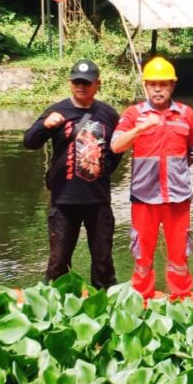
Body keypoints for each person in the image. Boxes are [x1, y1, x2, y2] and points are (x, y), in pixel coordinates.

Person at [23, 59, 122, 289]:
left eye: (87, 83)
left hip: (98, 199)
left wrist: (104, 169)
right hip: (64, 200)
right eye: (77, 82)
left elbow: (119, 148)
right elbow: (29, 142)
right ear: (70, 83)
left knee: (103, 262)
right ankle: (55, 307)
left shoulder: (107, 113)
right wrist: (45, 125)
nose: (81, 86)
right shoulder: (57, 110)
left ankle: (106, 305)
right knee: (58, 262)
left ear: (98, 84)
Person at [111, 57, 193, 300]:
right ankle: (141, 300)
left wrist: (177, 171)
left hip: (178, 196)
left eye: (163, 83)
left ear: (172, 85)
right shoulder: (133, 115)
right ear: (146, 86)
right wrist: (139, 129)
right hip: (144, 197)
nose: (158, 89)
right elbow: (116, 146)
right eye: (152, 84)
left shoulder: (186, 114)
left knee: (180, 254)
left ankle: (181, 299)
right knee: (142, 255)